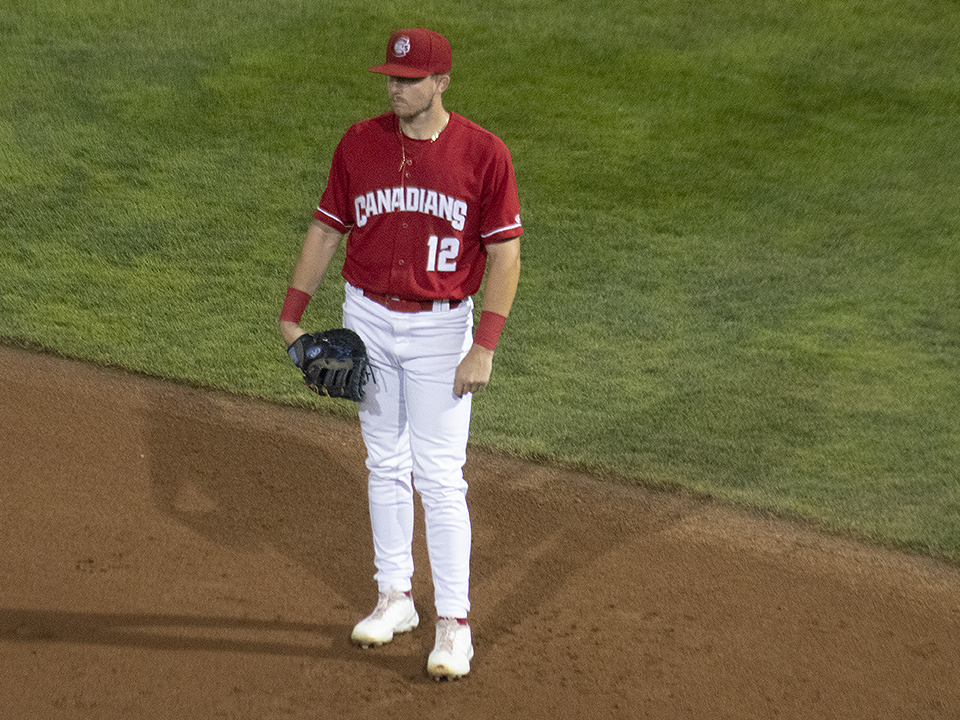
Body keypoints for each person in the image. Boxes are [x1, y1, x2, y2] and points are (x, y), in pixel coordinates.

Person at [279, 27, 522, 680]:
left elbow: (505, 254)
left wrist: (484, 346)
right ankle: (395, 599)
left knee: (440, 476)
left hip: (443, 331)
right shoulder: (360, 143)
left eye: (410, 80)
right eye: (391, 77)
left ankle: (453, 624)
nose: (397, 87)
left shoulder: (483, 154)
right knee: (384, 460)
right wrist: (291, 315)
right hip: (369, 318)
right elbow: (328, 228)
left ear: (441, 82)